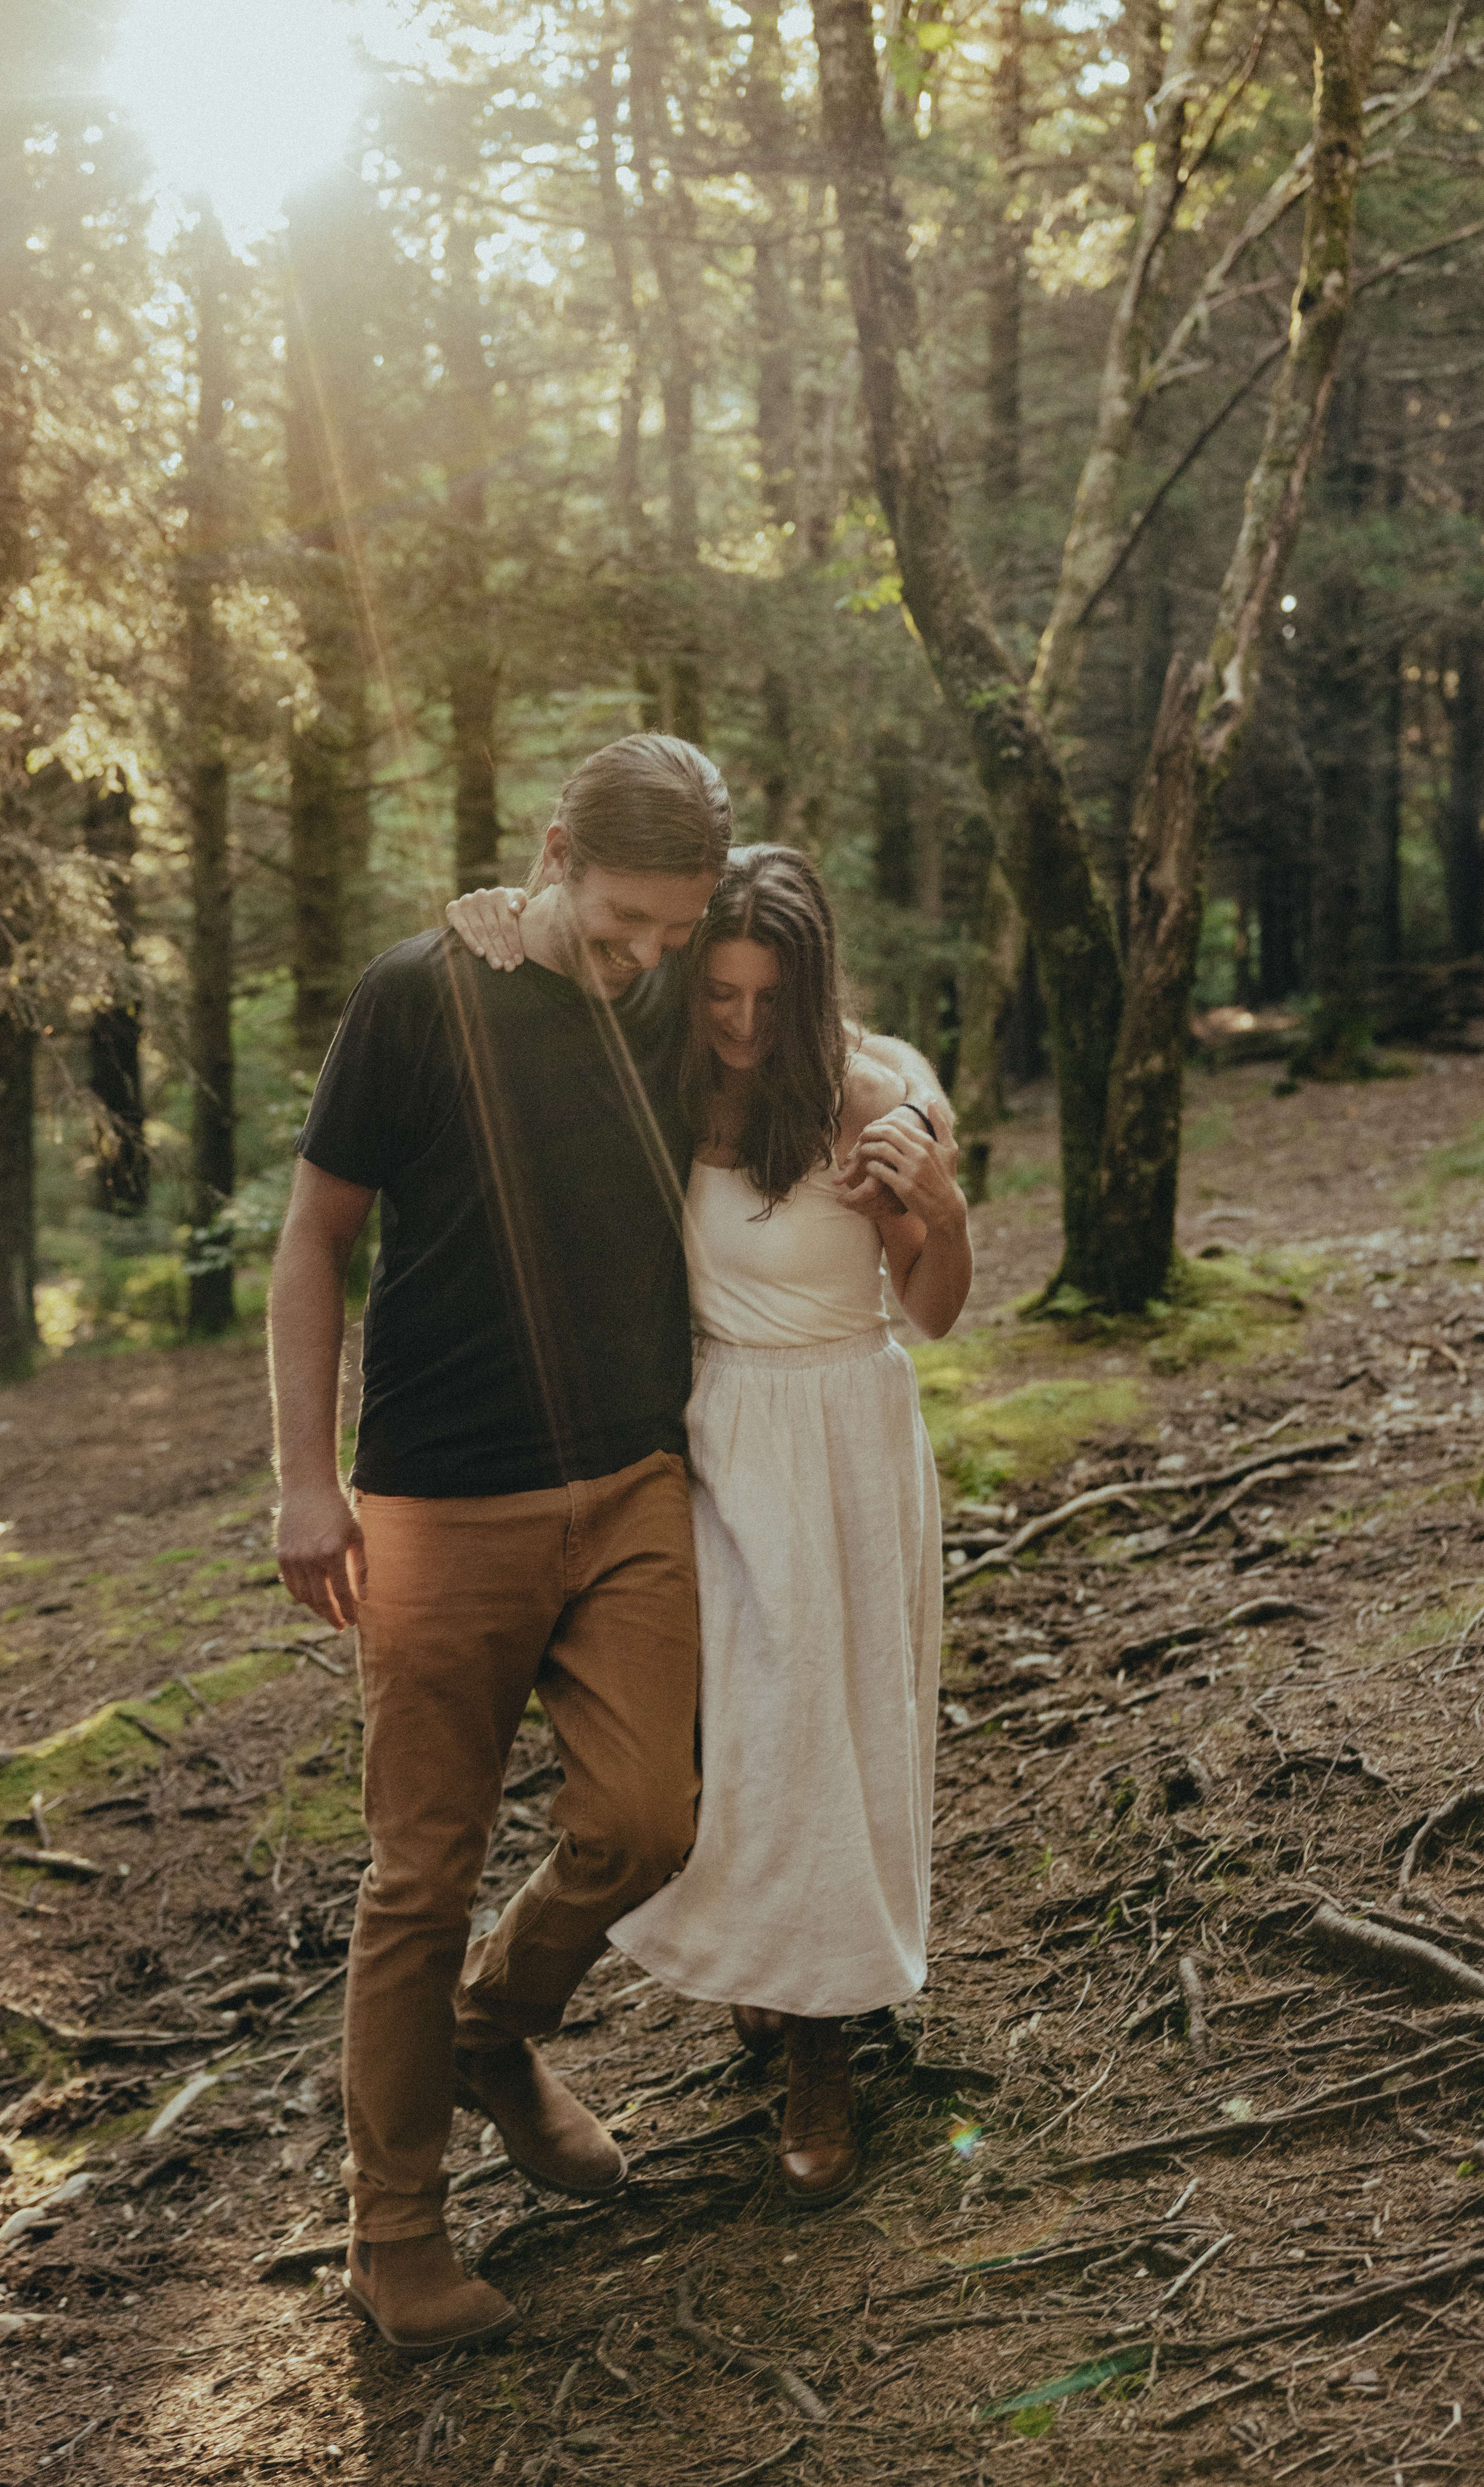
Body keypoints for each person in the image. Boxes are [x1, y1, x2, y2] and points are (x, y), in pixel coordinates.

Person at [270, 733, 728, 2358]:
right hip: (439, 1502)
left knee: (647, 1819)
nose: (646, 956)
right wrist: (304, 1480)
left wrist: (925, 1122)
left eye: (673, 928)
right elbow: (314, 1238)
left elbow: (813, 1004)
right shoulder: (417, 994)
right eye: (619, 921)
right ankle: (392, 2230)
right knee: (421, 1873)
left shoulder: (676, 982)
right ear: (549, 853)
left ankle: (495, 2024)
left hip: (630, 1483)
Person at [446, 844, 971, 2204]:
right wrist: (502, 911)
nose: (741, 1023)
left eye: (768, 1000)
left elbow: (935, 1308)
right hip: (711, 1437)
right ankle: (764, 1966)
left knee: (824, 1738)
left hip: (844, 1437)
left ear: (811, 988)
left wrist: (943, 1200)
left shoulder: (870, 1097)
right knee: (730, 1747)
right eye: (721, 993)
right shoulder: (660, 1072)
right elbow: (564, 958)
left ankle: (821, 2050)